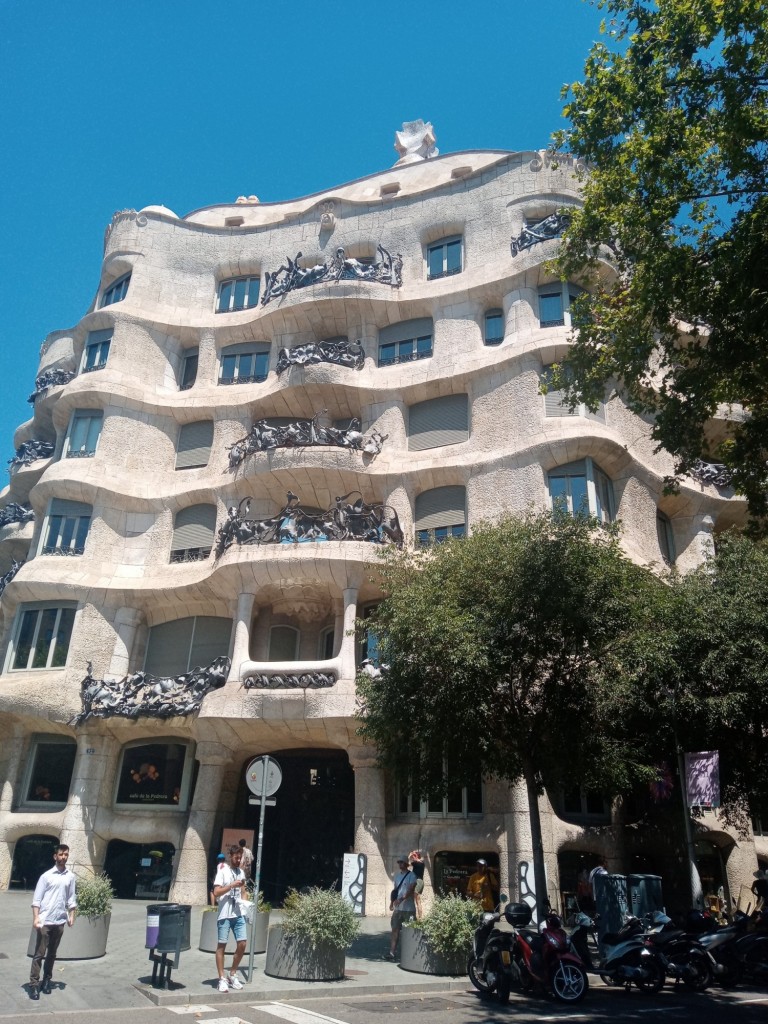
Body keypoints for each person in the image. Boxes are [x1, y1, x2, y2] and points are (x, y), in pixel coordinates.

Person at [28, 843, 77, 1000]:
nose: (64, 857)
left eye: (66, 854)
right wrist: (36, 918)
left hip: (59, 920)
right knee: (39, 954)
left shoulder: (70, 876)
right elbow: (37, 900)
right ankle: (34, 985)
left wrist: (72, 915)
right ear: (55, 856)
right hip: (45, 920)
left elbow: (71, 898)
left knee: (52, 954)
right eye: (61, 854)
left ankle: (47, 981)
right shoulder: (46, 876)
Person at [213, 845, 248, 992]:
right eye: (236, 857)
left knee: (243, 944)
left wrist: (245, 904)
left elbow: (243, 891)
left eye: (240, 857)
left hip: (238, 913)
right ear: (231, 856)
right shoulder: (223, 871)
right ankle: (221, 978)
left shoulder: (241, 872)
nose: (239, 859)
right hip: (225, 914)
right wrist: (231, 885)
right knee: (222, 945)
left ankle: (232, 974)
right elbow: (216, 892)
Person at [386, 857, 416, 960]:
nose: (400, 864)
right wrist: (391, 902)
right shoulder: (397, 876)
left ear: (407, 864)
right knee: (395, 930)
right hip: (398, 909)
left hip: (409, 909)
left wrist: (401, 899)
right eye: (399, 862)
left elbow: (411, 890)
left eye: (402, 862)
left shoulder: (412, 876)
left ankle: (409, 954)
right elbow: (395, 891)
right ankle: (392, 952)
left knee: (409, 931)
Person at [408, 850, 426, 920]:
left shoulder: (416, 863)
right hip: (420, 882)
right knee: (417, 900)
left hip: (417, 881)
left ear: (416, 856)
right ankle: (419, 917)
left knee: (415, 899)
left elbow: (407, 864)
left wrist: (409, 856)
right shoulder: (422, 863)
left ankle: (417, 917)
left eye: (414, 856)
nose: (412, 857)